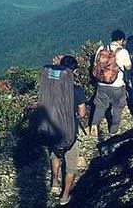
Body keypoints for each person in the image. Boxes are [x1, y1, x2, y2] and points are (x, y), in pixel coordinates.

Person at [48, 55, 87, 206]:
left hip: (53, 129)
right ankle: (64, 196)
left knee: (55, 155)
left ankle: (55, 182)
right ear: (75, 71)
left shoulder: (51, 87)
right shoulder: (77, 90)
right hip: (70, 132)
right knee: (71, 165)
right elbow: (82, 113)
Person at [90, 29, 132, 137]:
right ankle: (113, 131)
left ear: (111, 39)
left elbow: (95, 64)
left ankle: (94, 124)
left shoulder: (101, 49)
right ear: (122, 40)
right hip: (117, 85)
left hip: (101, 84)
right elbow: (128, 66)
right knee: (117, 107)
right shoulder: (122, 52)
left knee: (100, 106)